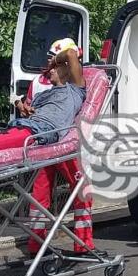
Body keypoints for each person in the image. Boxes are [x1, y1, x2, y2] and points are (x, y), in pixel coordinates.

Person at [21, 40, 95, 256]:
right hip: (52, 143)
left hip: (60, 143)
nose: (51, 62)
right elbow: (32, 110)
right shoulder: (45, 81)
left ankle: (73, 243)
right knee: (49, 193)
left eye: (54, 58)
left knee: (66, 192)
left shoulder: (69, 80)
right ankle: (45, 243)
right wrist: (24, 109)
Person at [0, 38, 86, 157]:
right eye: (50, 59)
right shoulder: (41, 86)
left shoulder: (74, 90)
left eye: (56, 63)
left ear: (68, 67)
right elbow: (20, 102)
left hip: (39, 130)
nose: (51, 67)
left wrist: (55, 60)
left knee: (7, 137)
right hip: (26, 124)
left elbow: (70, 54)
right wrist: (23, 107)